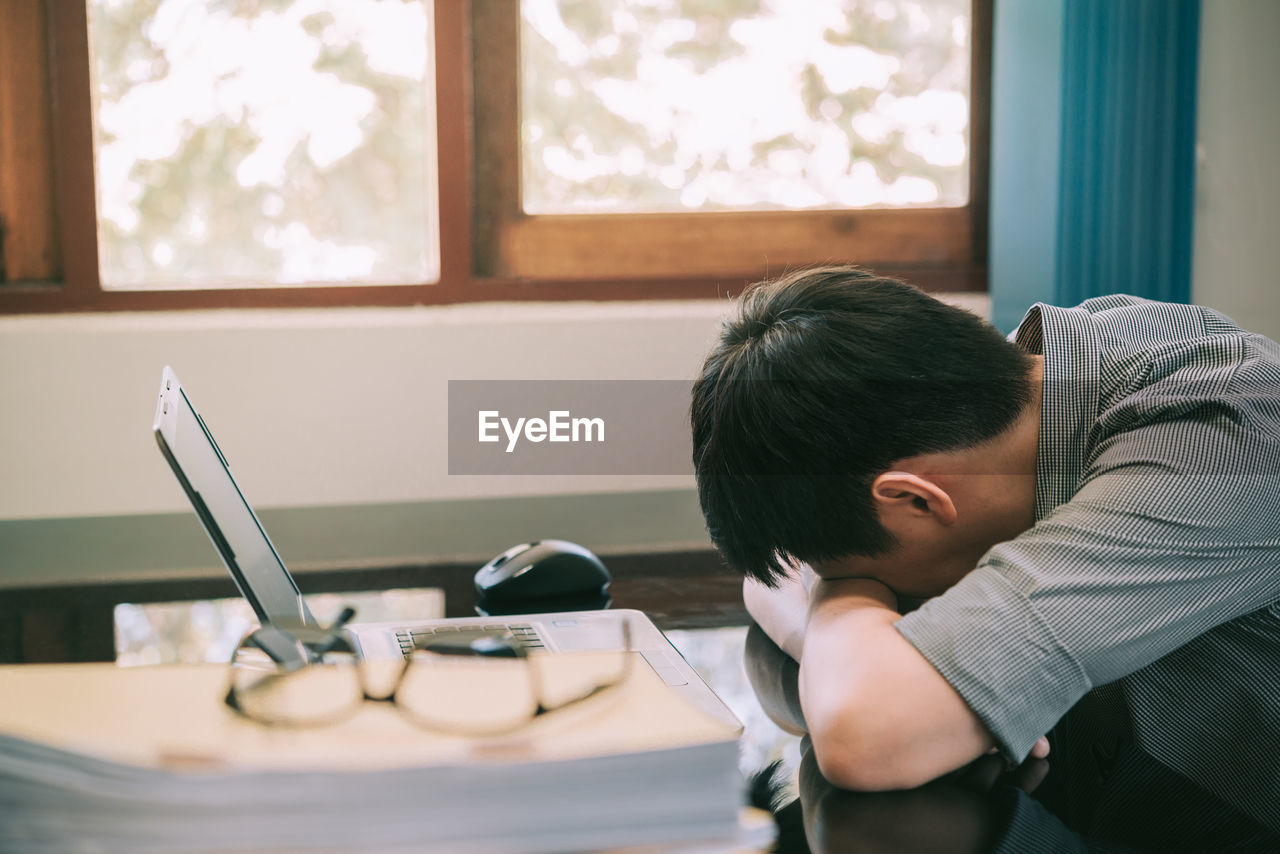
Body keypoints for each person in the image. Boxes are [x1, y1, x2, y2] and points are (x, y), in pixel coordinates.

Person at [690, 266, 1280, 836]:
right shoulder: (989, 402)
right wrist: (844, 619)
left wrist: (851, 632)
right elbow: (771, 578)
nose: (883, 595)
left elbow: (867, 737)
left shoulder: (1215, 442)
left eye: (869, 575)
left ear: (917, 500)